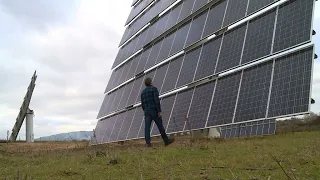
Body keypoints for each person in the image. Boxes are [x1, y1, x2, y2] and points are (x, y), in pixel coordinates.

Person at [140, 77, 174, 147]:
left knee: (147, 128)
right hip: (154, 111)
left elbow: (142, 104)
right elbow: (156, 101)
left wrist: (146, 110)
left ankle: (148, 143)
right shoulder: (154, 89)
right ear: (151, 82)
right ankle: (166, 141)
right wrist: (159, 111)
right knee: (160, 126)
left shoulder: (142, 93)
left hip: (147, 112)